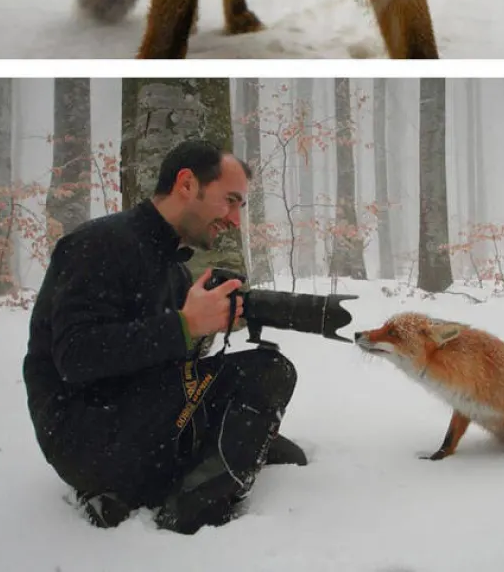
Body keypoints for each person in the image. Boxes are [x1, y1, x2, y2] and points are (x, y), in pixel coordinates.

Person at [23, 139, 306, 535]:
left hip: (138, 418)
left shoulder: (175, 271)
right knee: (268, 371)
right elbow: (75, 357)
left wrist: (203, 329)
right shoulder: (98, 244)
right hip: (86, 436)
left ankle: (205, 456)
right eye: (230, 200)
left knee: (250, 392)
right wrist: (184, 326)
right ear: (187, 184)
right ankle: (191, 511)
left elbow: (162, 363)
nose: (235, 220)